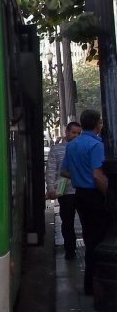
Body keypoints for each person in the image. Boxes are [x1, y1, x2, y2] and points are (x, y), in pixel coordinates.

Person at [61, 109, 110, 296]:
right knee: (99, 240)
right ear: (97, 124)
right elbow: (98, 175)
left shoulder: (72, 145)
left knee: (90, 238)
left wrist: (79, 175)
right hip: (95, 196)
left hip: (80, 195)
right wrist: (109, 196)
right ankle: (96, 283)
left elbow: (64, 171)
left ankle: (90, 284)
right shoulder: (96, 145)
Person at [45, 121, 82, 260]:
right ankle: (70, 250)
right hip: (65, 193)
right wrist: (51, 188)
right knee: (67, 222)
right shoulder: (57, 149)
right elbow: (51, 170)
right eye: (74, 133)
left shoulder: (82, 148)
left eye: (79, 133)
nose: (76, 136)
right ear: (66, 132)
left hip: (81, 191)